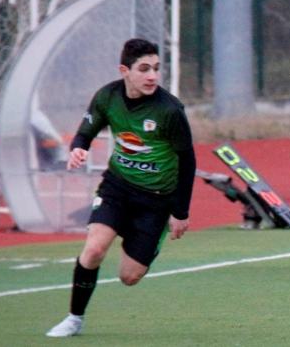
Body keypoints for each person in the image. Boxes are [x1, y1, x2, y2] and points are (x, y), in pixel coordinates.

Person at [45, 38, 196, 337]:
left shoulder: (169, 110)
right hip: (118, 189)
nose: (152, 75)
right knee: (94, 250)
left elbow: (187, 161)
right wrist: (79, 148)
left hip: (157, 201)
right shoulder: (107, 97)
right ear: (124, 70)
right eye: (144, 69)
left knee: (129, 277)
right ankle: (74, 318)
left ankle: (147, 238)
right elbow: (86, 130)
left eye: (156, 68)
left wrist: (180, 212)